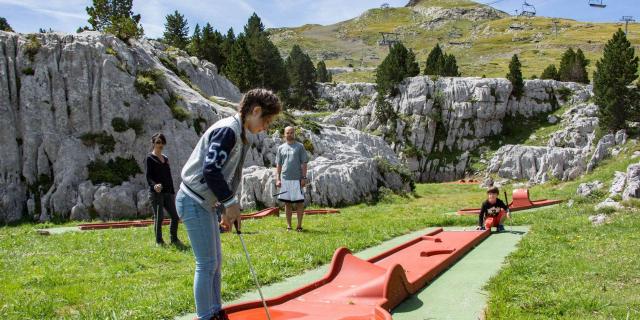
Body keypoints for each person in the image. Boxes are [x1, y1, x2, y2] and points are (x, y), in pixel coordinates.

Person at [176, 88, 281, 320]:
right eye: (267, 120)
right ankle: (206, 316)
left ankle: (215, 311)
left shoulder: (240, 133)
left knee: (215, 263)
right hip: (194, 200)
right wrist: (230, 203)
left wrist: (225, 207)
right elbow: (211, 170)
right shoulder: (228, 131)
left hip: (206, 202)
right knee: (206, 264)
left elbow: (225, 174)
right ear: (255, 111)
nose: (266, 126)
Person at [145, 133, 182, 246]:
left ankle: (174, 239)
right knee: (159, 217)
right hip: (156, 193)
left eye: (162, 142)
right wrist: (154, 186)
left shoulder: (165, 158)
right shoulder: (149, 158)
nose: (160, 144)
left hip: (168, 192)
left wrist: (172, 191)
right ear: (153, 143)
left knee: (175, 216)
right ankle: (159, 241)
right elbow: (148, 176)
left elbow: (168, 176)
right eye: (157, 142)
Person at [275, 126, 308, 232]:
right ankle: (289, 226)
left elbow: (304, 163)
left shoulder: (300, 147)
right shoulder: (281, 148)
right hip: (285, 179)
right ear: (284, 134)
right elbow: (278, 165)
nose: (289, 134)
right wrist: (277, 179)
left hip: (297, 179)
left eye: (291, 132)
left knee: (299, 203)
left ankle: (299, 226)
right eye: (287, 133)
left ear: (294, 133)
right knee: (287, 203)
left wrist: (303, 177)